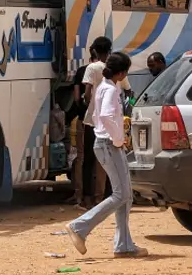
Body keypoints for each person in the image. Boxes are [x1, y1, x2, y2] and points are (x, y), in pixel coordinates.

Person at [65, 52, 148, 258]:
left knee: (125, 195)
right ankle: (80, 226)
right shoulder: (110, 90)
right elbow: (105, 116)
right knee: (121, 194)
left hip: (104, 143)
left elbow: (96, 115)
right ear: (121, 72)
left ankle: (124, 244)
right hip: (110, 144)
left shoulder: (104, 87)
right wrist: (119, 138)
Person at [81, 37, 132, 208]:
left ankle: (88, 197)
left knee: (89, 161)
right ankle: (103, 197)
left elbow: (87, 94)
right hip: (110, 133)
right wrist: (119, 136)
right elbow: (129, 92)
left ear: (94, 51)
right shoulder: (114, 81)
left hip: (92, 123)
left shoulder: (93, 69)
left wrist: (89, 105)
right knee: (115, 173)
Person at [65, 47, 97, 208]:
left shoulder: (82, 71)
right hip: (102, 120)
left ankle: (79, 194)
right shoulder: (108, 70)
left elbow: (78, 97)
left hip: (84, 119)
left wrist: (82, 109)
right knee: (100, 157)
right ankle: (100, 196)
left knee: (81, 156)